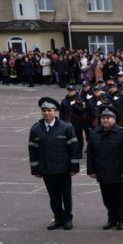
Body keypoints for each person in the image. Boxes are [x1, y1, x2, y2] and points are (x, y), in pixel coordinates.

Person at [28, 97, 81, 230]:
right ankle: (58, 218)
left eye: (49, 110)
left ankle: (68, 218)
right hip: (46, 169)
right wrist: (36, 170)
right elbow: (32, 150)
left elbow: (74, 148)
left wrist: (73, 167)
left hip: (63, 169)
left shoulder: (66, 127)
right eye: (44, 110)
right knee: (53, 196)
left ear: (55, 112)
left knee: (66, 195)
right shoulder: (35, 129)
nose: (46, 113)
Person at [87, 105, 123, 230]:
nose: (105, 120)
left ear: (114, 119)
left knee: (119, 198)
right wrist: (91, 170)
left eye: (108, 118)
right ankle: (111, 218)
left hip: (117, 171)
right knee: (107, 198)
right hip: (102, 171)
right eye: (103, 118)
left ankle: (121, 219)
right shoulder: (94, 133)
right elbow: (91, 153)